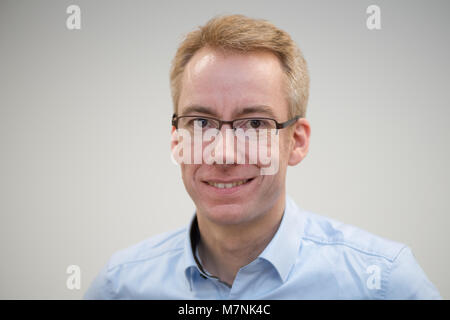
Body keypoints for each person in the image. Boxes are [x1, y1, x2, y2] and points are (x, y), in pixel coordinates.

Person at [84, 14, 441, 299]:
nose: (223, 154)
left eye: (254, 123)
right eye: (201, 122)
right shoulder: (120, 288)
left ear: (296, 142)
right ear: (177, 139)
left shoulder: (383, 284)